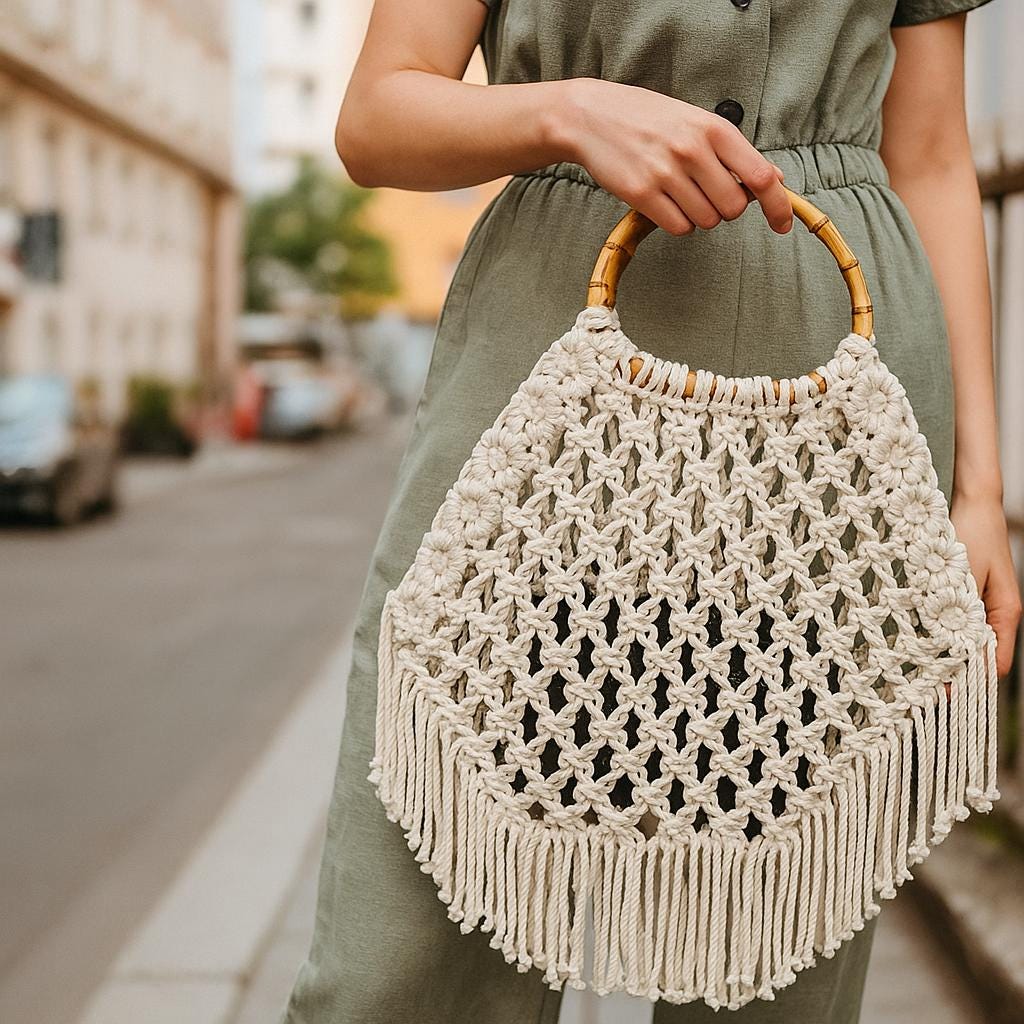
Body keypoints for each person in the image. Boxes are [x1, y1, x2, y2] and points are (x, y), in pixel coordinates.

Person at [281, 2, 1021, 1022]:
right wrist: (571, 111)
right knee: (400, 966)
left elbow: (932, 154)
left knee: (772, 957)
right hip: (541, 414)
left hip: (836, 440)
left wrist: (977, 491)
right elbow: (377, 115)